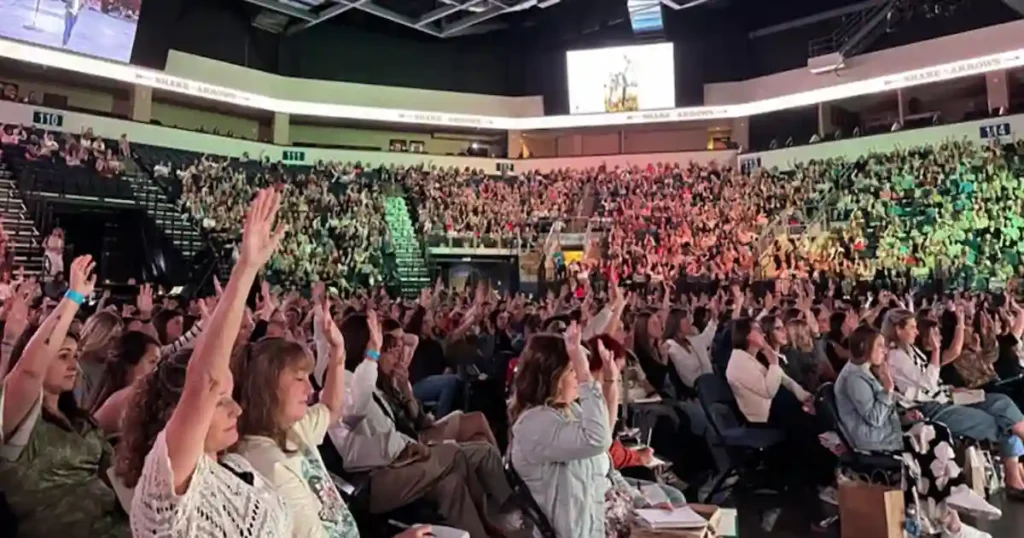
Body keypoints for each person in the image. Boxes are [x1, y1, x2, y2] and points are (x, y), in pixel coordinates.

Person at [118, 188, 292, 537]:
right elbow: (205, 380)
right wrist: (246, 268)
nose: (238, 410)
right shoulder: (164, 490)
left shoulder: (235, 463)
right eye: (221, 400)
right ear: (178, 411)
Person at [0, 255, 129, 537]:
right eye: (62, 356)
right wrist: (72, 297)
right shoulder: (18, 421)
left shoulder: (82, 421)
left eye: (75, 355)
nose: (74, 364)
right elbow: (29, 371)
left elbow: (119, 478)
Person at [835, 325, 995, 538]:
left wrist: (904, 417)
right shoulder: (854, 378)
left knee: (934, 431)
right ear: (865, 348)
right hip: (873, 441)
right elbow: (874, 418)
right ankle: (952, 512)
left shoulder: (863, 372)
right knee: (928, 443)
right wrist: (888, 388)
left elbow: (881, 414)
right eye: (880, 346)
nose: (885, 350)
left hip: (884, 433)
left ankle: (953, 505)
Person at [882, 308, 1024, 498]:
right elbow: (926, 383)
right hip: (931, 409)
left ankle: (1013, 477)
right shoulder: (895, 356)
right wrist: (936, 351)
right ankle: (1013, 480)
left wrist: (950, 389)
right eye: (912, 327)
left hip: (946, 397)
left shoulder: (910, 349)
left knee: (1002, 403)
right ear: (898, 330)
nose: (916, 331)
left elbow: (933, 383)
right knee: (998, 421)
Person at [509, 324, 619, 538]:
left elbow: (603, 456)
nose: (579, 377)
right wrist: (585, 374)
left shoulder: (571, 410)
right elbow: (598, 440)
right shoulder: (534, 424)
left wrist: (641, 501)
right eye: (573, 371)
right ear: (552, 376)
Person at [89, 331, 162, 436]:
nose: (156, 370)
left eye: (158, 363)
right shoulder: (126, 398)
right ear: (130, 365)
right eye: (152, 362)